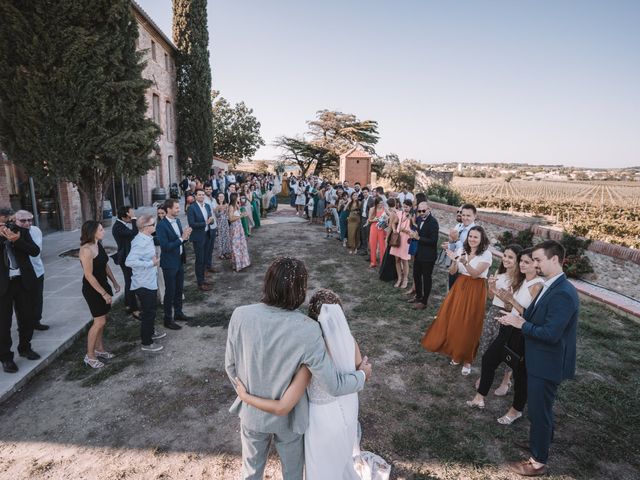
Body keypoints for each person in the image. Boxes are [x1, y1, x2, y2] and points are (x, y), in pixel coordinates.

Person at [225, 258, 372, 480]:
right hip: (290, 421)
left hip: (251, 415)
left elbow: (231, 366)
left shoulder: (240, 314)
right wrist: (362, 375)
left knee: (250, 473)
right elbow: (333, 384)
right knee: (292, 474)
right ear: (300, 290)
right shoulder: (308, 329)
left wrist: (247, 397)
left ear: (267, 283)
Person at [498, 241, 579, 477]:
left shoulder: (563, 293)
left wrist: (521, 324)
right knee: (539, 408)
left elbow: (552, 334)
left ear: (555, 260)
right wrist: (513, 316)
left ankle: (538, 461)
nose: (535, 264)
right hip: (538, 357)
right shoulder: (549, 285)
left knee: (539, 410)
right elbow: (533, 315)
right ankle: (540, 442)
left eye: (538, 260)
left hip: (548, 362)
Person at [466, 248, 544, 422]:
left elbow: (532, 316)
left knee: (520, 375)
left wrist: (511, 300)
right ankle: (479, 398)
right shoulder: (522, 280)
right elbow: (511, 306)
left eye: (527, 262)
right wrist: (498, 292)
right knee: (488, 359)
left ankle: (516, 410)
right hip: (507, 327)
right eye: (521, 261)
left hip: (522, 334)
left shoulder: (537, 285)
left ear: (536, 265)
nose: (522, 265)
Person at [421, 226, 492, 375]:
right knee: (456, 320)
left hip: (476, 289)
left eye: (475, 237)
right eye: (470, 236)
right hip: (460, 286)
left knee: (470, 323)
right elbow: (453, 272)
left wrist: (465, 262)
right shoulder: (462, 250)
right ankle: (456, 353)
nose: (472, 239)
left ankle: (467, 359)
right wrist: (454, 261)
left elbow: (475, 274)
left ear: (481, 239)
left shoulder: (486, 254)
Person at [476, 244, 523, 389]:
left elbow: (510, 306)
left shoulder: (518, 280)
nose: (506, 259)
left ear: (517, 260)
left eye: (510, 257)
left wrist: (499, 294)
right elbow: (491, 297)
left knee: (506, 347)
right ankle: (485, 373)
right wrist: (491, 287)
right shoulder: (498, 272)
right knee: (486, 341)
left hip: (507, 315)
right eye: (505, 256)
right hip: (493, 312)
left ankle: (506, 380)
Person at [0, 208, 42, 373]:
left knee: (27, 318)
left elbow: (35, 251)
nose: (7, 225)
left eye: (9, 221)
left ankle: (25, 348)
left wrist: (16, 240)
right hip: (3, 286)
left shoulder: (21, 232)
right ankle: (6, 358)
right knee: (3, 324)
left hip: (23, 282)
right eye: (4, 222)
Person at [79, 221, 121, 368]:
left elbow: (105, 264)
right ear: (92, 232)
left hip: (103, 285)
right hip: (93, 290)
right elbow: (89, 275)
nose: (104, 231)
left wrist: (114, 282)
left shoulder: (98, 244)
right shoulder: (86, 250)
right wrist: (103, 293)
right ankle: (90, 356)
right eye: (101, 229)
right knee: (99, 322)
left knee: (102, 320)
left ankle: (99, 349)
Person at [126, 214, 166, 353]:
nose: (154, 226)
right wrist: (150, 263)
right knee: (148, 312)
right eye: (152, 225)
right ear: (145, 227)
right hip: (143, 283)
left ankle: (151, 331)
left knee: (152, 310)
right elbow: (129, 261)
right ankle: (146, 342)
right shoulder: (139, 242)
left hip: (150, 280)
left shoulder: (147, 238)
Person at [156, 198, 192, 330]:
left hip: (179, 260)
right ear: (168, 209)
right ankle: (168, 319)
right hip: (169, 263)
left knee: (178, 289)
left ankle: (178, 313)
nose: (178, 209)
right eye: (176, 208)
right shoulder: (161, 225)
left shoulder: (177, 221)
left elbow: (180, 240)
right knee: (169, 292)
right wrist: (182, 238)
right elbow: (165, 247)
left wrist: (186, 237)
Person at [15, 210, 49, 330]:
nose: (27, 223)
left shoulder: (36, 230)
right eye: (23, 220)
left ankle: (36, 321)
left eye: (29, 220)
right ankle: (23, 326)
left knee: (37, 298)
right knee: (23, 302)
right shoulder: (13, 234)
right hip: (22, 273)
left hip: (37, 269)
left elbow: (35, 251)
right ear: (15, 220)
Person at [408, 202, 439, 309]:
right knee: (416, 275)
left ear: (429, 209)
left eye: (423, 211)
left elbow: (433, 241)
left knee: (426, 278)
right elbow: (419, 233)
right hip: (419, 253)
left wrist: (418, 238)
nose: (421, 213)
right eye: (419, 211)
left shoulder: (433, 222)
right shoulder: (420, 219)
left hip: (428, 255)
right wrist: (413, 235)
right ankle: (418, 296)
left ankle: (424, 302)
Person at [112, 205, 139, 319]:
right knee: (130, 282)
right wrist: (134, 218)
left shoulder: (121, 224)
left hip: (128, 256)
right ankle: (133, 308)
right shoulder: (118, 227)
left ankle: (128, 304)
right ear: (125, 216)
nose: (132, 216)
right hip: (125, 258)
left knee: (129, 281)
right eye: (130, 214)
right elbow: (134, 232)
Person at [187, 188, 214, 292]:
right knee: (200, 260)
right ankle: (200, 283)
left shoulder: (207, 206)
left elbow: (210, 220)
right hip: (198, 237)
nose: (202, 196)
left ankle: (203, 279)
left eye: (203, 195)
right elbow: (192, 224)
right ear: (195, 196)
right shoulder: (192, 208)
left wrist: (210, 221)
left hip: (207, 234)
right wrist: (206, 223)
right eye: (199, 195)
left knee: (205, 258)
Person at [445, 204, 477, 289]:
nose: (465, 218)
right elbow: (453, 247)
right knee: (450, 291)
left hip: (465, 269)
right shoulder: (458, 226)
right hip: (454, 265)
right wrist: (450, 243)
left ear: (475, 216)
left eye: (468, 215)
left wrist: (456, 240)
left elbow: (469, 250)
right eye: (463, 215)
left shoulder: (476, 231)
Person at [389, 200, 413, 288]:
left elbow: (415, 228)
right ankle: (399, 278)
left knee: (405, 260)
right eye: (404, 206)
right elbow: (393, 223)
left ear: (410, 207)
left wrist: (408, 230)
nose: (405, 208)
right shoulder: (399, 214)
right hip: (398, 239)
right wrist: (394, 230)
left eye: (407, 207)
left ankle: (405, 279)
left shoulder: (412, 216)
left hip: (406, 239)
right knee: (397, 259)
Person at [228, 193, 251, 272]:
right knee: (235, 246)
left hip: (239, 226)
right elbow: (230, 219)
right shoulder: (231, 207)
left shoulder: (237, 205)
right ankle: (237, 265)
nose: (239, 198)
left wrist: (243, 214)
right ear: (235, 198)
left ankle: (242, 263)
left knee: (241, 245)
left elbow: (237, 215)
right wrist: (241, 216)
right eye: (238, 197)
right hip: (234, 228)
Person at [367, 197, 387, 268]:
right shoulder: (372, 209)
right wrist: (374, 220)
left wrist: (386, 221)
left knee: (382, 246)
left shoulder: (384, 209)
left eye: (382, 203)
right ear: (376, 203)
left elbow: (389, 217)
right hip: (374, 227)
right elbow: (369, 220)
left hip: (381, 228)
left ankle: (382, 262)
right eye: (379, 203)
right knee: (372, 244)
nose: (380, 205)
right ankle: (373, 262)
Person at [203, 183, 219, 274]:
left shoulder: (213, 199)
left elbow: (216, 212)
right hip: (207, 227)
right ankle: (205, 267)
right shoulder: (204, 199)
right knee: (206, 247)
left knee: (211, 247)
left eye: (210, 189)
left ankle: (209, 265)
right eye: (207, 189)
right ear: (204, 190)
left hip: (214, 225)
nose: (208, 190)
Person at [214, 192, 232, 259]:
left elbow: (227, 216)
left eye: (222, 196)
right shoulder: (216, 206)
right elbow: (217, 216)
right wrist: (218, 209)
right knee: (221, 238)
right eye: (220, 196)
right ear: (218, 198)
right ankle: (221, 253)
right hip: (220, 223)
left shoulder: (226, 205)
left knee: (226, 237)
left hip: (225, 223)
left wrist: (226, 209)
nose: (221, 198)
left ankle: (226, 252)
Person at [359, 187, 374, 256]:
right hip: (363, 218)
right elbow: (361, 210)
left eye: (366, 192)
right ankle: (364, 250)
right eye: (363, 192)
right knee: (363, 235)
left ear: (368, 192)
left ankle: (369, 252)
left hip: (369, 219)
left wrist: (370, 219)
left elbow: (373, 211)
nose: (364, 194)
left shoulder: (372, 200)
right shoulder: (362, 201)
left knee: (368, 235)